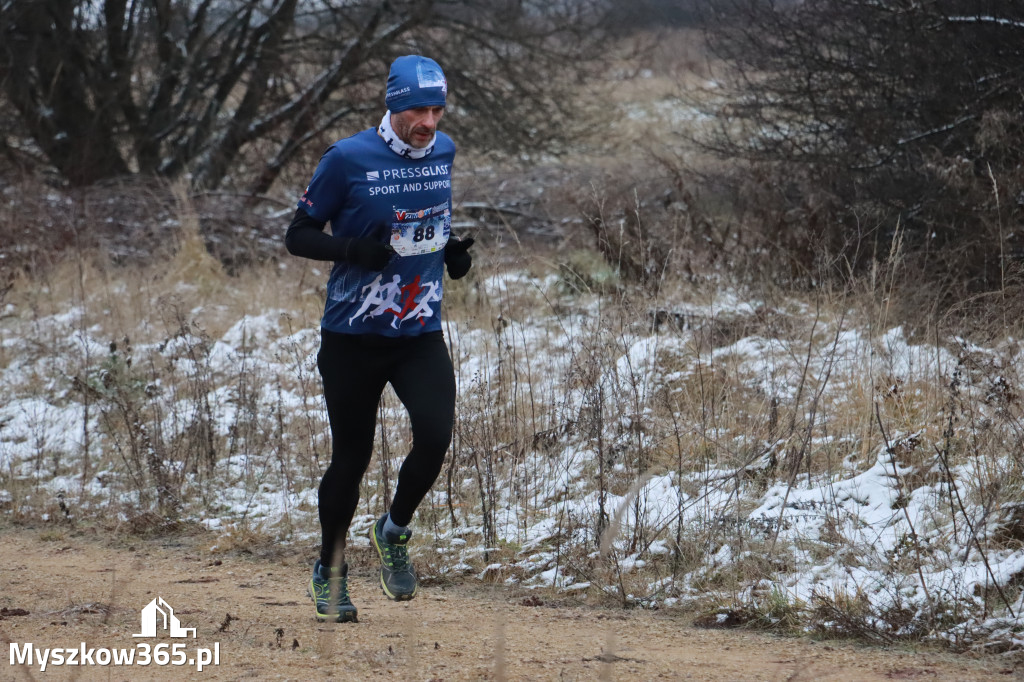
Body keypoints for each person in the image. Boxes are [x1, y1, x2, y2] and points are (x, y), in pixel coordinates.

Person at [284, 55, 474, 623]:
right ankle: (330, 570)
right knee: (352, 459)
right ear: (392, 105)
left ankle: (392, 531)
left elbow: (424, 223)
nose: (429, 121)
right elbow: (297, 236)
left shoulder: (442, 151)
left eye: (437, 109)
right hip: (352, 336)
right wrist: (351, 250)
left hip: (417, 329)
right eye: (418, 108)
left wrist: (451, 254)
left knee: (437, 435)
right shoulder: (346, 159)